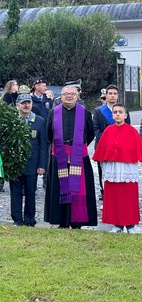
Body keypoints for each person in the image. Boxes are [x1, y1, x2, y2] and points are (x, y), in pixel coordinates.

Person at [44, 85, 97, 229]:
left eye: (72, 94)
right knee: (60, 189)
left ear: (77, 96)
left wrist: (76, 147)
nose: (69, 96)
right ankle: (61, 220)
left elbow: (90, 133)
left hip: (79, 157)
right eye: (66, 94)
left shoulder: (85, 113)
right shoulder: (53, 113)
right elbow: (49, 134)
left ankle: (76, 221)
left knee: (78, 189)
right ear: (61, 97)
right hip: (59, 157)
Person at [93, 104, 142, 233]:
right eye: (115, 112)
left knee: (129, 196)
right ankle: (117, 224)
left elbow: (138, 149)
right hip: (112, 168)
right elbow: (102, 150)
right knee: (113, 196)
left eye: (120, 112)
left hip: (128, 168)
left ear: (125, 115)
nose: (118, 114)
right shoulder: (108, 131)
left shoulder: (132, 131)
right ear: (112, 115)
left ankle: (131, 225)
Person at [10, 94, 47, 226]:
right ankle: (17, 219)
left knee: (31, 192)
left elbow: (43, 145)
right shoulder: (12, 120)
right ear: (17, 105)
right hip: (15, 163)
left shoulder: (40, 121)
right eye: (23, 103)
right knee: (15, 192)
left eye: (29, 103)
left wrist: (42, 165)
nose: (26, 106)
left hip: (32, 164)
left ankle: (30, 219)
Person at [93, 84, 130, 200]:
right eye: (110, 93)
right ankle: (104, 193)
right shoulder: (99, 111)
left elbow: (127, 128)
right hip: (103, 147)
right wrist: (107, 140)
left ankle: (118, 193)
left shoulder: (123, 110)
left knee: (120, 170)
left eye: (115, 94)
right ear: (106, 95)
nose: (112, 96)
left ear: (117, 96)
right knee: (104, 171)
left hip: (120, 147)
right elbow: (96, 129)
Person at [30, 76, 53, 190]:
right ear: (36, 86)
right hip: (33, 132)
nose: (45, 87)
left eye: (45, 85)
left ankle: (46, 180)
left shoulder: (48, 100)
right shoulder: (30, 100)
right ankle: (31, 181)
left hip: (46, 132)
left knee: (46, 156)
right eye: (42, 85)